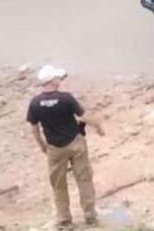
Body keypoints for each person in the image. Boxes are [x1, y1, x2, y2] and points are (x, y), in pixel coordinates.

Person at [27, 65, 104, 229]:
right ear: (52, 80)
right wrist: (98, 127)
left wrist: (43, 146)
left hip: (54, 148)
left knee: (58, 184)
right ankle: (90, 216)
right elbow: (84, 116)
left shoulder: (35, 103)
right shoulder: (67, 98)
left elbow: (34, 128)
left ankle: (64, 220)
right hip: (75, 143)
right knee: (84, 179)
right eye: (58, 78)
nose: (60, 80)